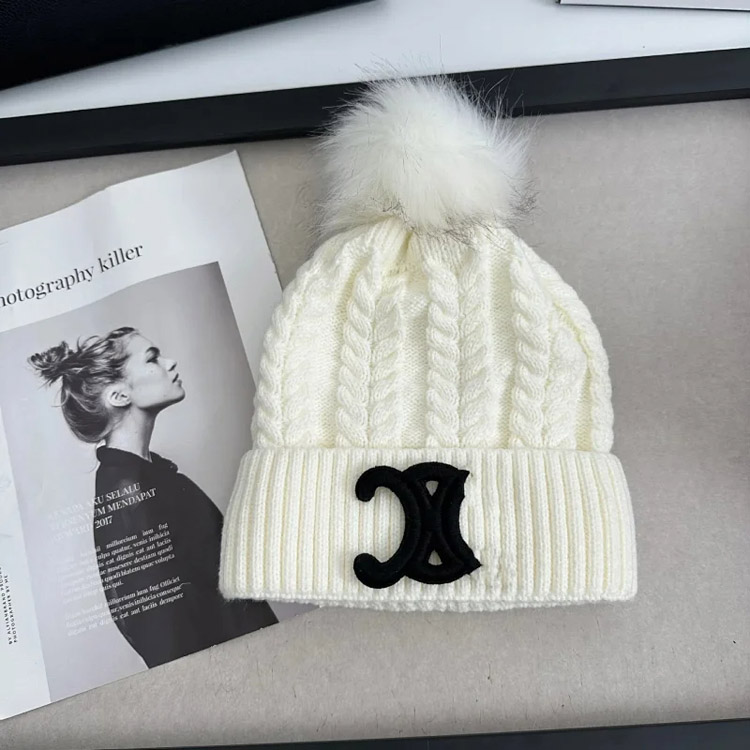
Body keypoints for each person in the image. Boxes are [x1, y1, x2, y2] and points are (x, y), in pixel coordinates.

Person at [30, 326, 276, 667]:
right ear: (119, 395)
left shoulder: (150, 476)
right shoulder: (127, 492)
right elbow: (164, 637)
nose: (170, 363)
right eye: (152, 358)